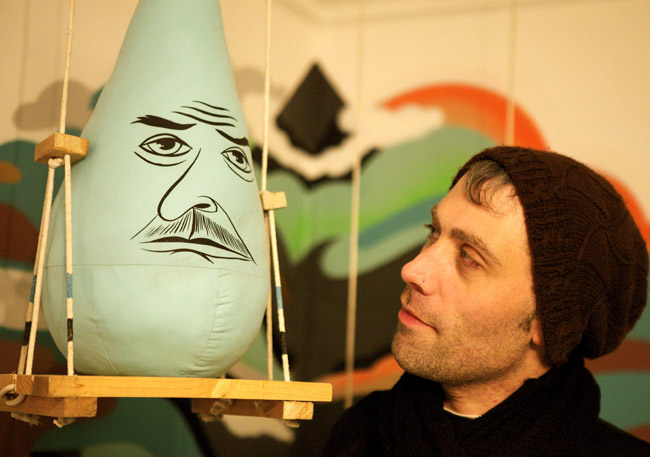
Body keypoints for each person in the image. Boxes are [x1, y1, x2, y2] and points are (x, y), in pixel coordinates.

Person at [323, 146, 650, 456]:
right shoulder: (359, 434)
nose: (412, 270)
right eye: (433, 231)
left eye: (469, 257)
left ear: (549, 323)